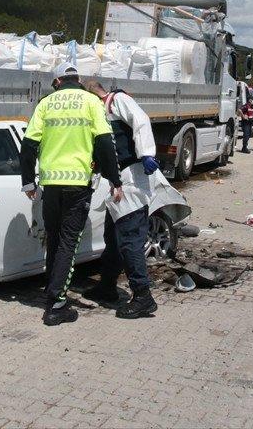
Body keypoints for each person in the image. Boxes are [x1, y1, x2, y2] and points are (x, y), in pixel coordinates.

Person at [19, 63, 122, 326]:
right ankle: (57, 304)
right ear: (78, 80)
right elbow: (104, 144)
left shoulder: (46, 104)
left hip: (51, 184)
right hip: (77, 185)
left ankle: (51, 290)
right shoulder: (91, 102)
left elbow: (28, 146)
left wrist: (28, 182)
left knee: (54, 239)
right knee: (68, 242)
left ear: (57, 82)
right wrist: (115, 180)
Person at [82, 80, 160, 319]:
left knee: (129, 241)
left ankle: (143, 297)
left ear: (93, 95)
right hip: (118, 185)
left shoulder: (118, 100)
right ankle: (107, 286)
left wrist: (147, 154)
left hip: (133, 182)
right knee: (113, 238)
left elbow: (141, 121)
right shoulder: (103, 112)